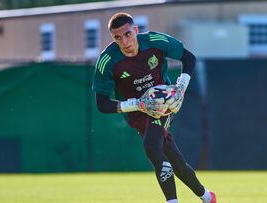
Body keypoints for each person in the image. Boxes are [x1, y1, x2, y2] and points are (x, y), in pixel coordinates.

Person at [92, 12, 216, 203]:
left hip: (164, 102)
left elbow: (188, 58)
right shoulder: (107, 61)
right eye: (118, 37)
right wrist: (138, 104)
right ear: (113, 38)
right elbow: (102, 104)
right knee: (175, 162)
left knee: (151, 146)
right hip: (136, 113)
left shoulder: (155, 41)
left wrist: (181, 88)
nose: (124, 42)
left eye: (127, 34)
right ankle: (207, 197)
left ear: (135, 30)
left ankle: (172, 201)